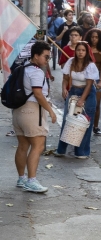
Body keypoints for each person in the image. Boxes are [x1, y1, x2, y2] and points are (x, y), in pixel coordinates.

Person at [13, 41, 57, 193]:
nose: (47, 60)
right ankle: (31, 180)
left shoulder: (22, 68)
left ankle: (21, 178)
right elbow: (38, 93)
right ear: (36, 56)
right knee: (38, 146)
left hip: (18, 111)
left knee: (23, 146)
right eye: (45, 57)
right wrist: (50, 111)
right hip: (32, 112)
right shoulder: (37, 72)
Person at [55, 41, 99, 158]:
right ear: (76, 51)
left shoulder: (90, 65)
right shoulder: (70, 62)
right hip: (73, 91)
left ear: (87, 52)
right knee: (67, 120)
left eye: (83, 50)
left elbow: (89, 84)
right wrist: (64, 89)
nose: (80, 52)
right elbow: (65, 78)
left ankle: (82, 151)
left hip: (88, 93)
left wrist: (82, 99)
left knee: (84, 122)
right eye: (79, 50)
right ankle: (61, 150)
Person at [85, 28, 101, 136]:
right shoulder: (86, 48)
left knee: (97, 104)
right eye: (92, 37)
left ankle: (95, 126)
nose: (94, 39)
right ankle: (84, 124)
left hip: (98, 77)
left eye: (96, 37)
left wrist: (100, 80)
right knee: (85, 103)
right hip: (86, 78)